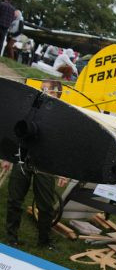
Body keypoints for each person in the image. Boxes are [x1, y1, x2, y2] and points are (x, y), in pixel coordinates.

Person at [2, 80, 67, 250]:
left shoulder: (63, 116)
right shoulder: (30, 110)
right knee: (14, 200)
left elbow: (64, 146)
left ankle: (44, 241)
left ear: (57, 94)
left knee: (45, 206)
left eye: (48, 90)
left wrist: (63, 172)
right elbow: (15, 133)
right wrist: (8, 158)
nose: (43, 92)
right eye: (42, 89)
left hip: (45, 164)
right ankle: (11, 238)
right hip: (22, 159)